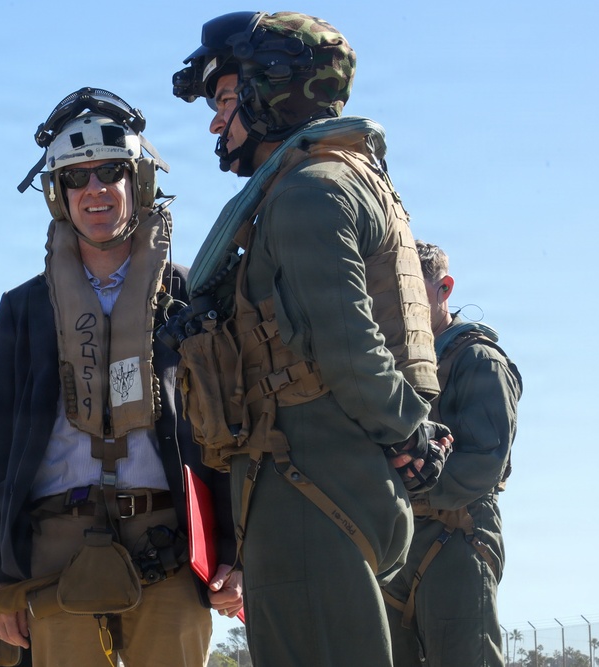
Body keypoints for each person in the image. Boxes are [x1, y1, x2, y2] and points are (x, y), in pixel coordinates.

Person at [170, 11, 453, 666]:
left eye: (226, 99)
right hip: (320, 485)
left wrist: (406, 430)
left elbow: (347, 344)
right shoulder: (344, 181)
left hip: (305, 492)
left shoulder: (307, 193)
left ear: (272, 91)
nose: (217, 122)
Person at [0, 87, 241, 667]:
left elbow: (225, 434)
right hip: (54, 552)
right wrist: (1, 579)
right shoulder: (22, 310)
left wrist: (233, 553)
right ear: (58, 194)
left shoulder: (194, 297)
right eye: (77, 178)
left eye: (111, 172)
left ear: (138, 181)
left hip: (168, 544)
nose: (95, 190)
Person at [383, 241, 523, 666]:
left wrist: (413, 492)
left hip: (459, 533)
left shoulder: (478, 360)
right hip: (397, 540)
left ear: (444, 289)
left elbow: (483, 463)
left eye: (409, 288)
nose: (399, 302)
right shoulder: (389, 366)